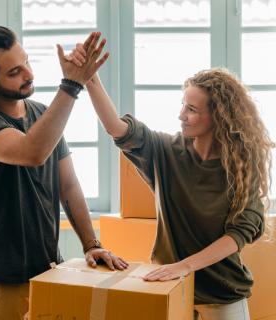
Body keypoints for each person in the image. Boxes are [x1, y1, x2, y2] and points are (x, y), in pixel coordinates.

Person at [69, 43, 273, 320]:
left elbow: (237, 235)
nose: (181, 115)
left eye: (191, 109)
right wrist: (90, 80)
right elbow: (116, 128)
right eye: (182, 104)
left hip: (221, 293)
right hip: (169, 286)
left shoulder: (240, 167)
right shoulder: (165, 151)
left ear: (219, 117)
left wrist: (184, 266)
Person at [0, 26, 128, 320]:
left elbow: (69, 185)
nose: (28, 74)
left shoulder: (41, 113)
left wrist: (91, 244)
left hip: (47, 269)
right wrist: (72, 85)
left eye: (27, 62)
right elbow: (31, 153)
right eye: (14, 72)